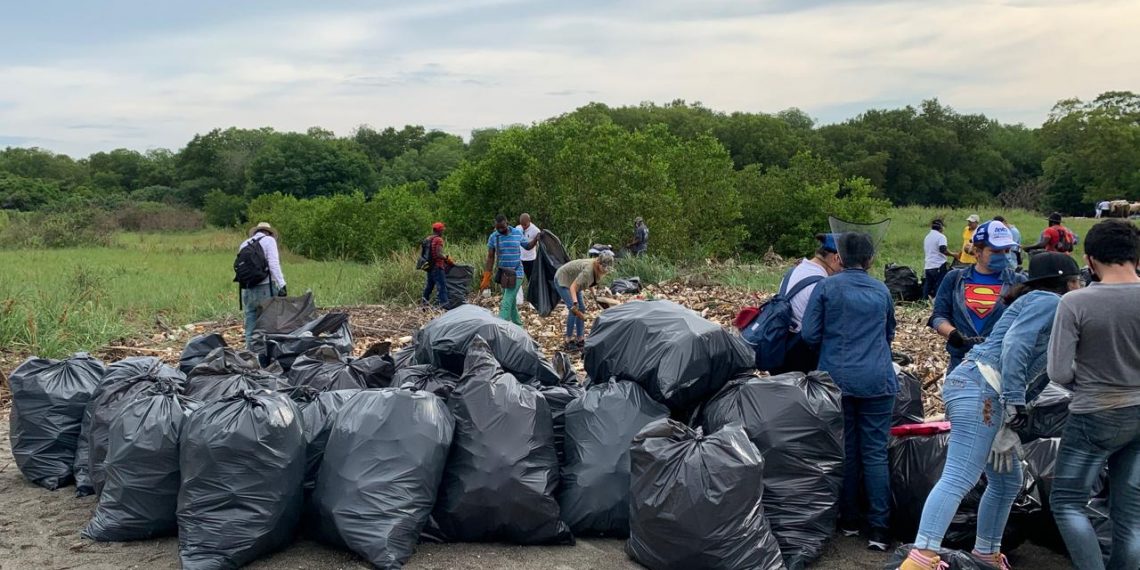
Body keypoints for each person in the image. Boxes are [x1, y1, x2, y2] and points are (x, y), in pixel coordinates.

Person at [899, 252, 1082, 570]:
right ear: (1066, 281)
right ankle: (921, 558)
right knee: (960, 476)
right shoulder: (1049, 302)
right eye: (1078, 279)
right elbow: (1016, 346)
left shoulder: (1037, 302)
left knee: (1007, 480)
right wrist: (1015, 402)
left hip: (982, 390)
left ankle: (986, 555)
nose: (1082, 285)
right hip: (983, 391)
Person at [1047, 219, 1140, 570]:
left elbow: (1058, 371)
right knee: (1129, 513)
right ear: (1136, 257)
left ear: (1089, 260)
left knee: (1068, 502)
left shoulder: (1075, 302)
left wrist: (1084, 382)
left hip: (1095, 414)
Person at [801, 232, 897, 552]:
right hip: (878, 381)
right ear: (869, 260)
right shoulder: (882, 290)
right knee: (874, 453)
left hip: (837, 379)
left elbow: (810, 334)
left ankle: (851, 520)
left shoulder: (827, 287)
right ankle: (880, 530)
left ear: (839, 258)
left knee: (847, 450)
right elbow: (888, 334)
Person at [929, 220, 1026, 373]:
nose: (1003, 255)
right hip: (961, 362)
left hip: (1001, 365)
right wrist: (952, 333)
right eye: (995, 251)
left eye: (1006, 250)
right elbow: (938, 316)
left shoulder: (1018, 282)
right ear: (977, 251)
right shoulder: (955, 279)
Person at [773, 233, 843, 373]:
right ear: (836, 258)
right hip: (801, 357)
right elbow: (824, 329)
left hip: (780, 345)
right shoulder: (821, 285)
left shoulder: (794, 271)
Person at [481, 214, 540, 326]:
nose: (500, 230)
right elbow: (490, 257)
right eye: (498, 228)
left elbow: (527, 246)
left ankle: (499, 327)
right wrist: (486, 276)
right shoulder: (494, 237)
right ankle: (519, 326)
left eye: (502, 227)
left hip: (517, 272)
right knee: (511, 303)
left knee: (506, 302)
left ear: (507, 223)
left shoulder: (517, 233)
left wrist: (535, 239)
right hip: (504, 275)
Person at [238, 222, 286, 348]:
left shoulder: (244, 244)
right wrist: (282, 284)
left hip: (247, 289)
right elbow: (273, 264)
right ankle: (267, 359)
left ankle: (251, 356)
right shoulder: (269, 241)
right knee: (268, 325)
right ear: (269, 232)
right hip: (265, 288)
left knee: (250, 326)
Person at [553, 251, 614, 351]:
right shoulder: (588, 270)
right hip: (563, 280)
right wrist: (575, 304)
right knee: (574, 311)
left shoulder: (596, 270)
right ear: (599, 263)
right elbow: (573, 287)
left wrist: (594, 296)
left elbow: (591, 282)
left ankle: (580, 339)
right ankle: (568, 340)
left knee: (582, 308)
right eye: (604, 267)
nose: (605, 270)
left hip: (573, 281)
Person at [421, 222, 452, 308]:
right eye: (442, 230)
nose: (443, 232)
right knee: (441, 287)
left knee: (429, 287)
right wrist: (447, 258)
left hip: (429, 266)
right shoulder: (438, 240)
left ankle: (424, 304)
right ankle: (445, 306)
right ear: (440, 230)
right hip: (437, 266)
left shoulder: (428, 238)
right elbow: (439, 254)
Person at [515, 213, 541, 305]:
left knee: (532, 281)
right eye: (522, 224)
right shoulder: (517, 228)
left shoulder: (535, 230)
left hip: (531, 259)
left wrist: (536, 240)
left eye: (525, 225)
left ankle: (533, 302)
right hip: (520, 259)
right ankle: (519, 301)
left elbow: (539, 246)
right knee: (518, 279)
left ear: (529, 221)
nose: (523, 227)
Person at [923, 219, 951, 299]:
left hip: (928, 266)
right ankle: (938, 302)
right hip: (938, 265)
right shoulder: (941, 237)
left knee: (928, 286)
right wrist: (953, 254)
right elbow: (943, 249)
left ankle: (924, 302)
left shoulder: (927, 237)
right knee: (939, 286)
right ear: (941, 227)